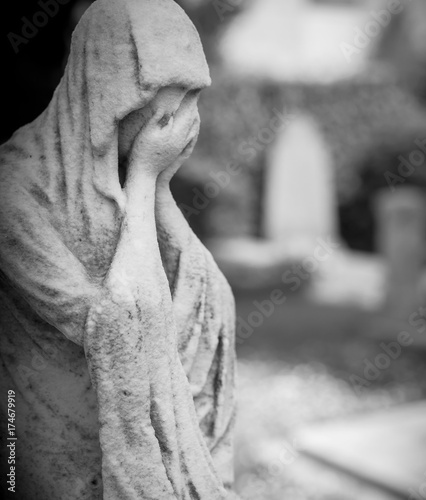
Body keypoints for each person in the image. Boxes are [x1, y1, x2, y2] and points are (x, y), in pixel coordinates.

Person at [0, 0, 237, 498]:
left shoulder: (124, 175)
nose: (180, 131)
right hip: (44, 432)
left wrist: (158, 184)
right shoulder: (15, 189)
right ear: (111, 99)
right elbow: (116, 324)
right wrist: (148, 176)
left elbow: (199, 287)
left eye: (192, 106)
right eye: (166, 115)